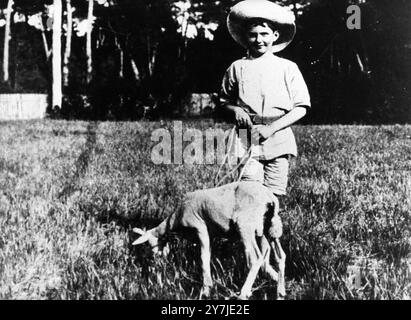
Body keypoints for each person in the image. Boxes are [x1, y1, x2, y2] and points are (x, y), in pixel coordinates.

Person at [220, 0, 311, 203]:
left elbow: (301, 107)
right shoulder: (237, 67)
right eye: (253, 34)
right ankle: (248, 234)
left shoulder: (287, 67)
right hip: (246, 136)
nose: (258, 39)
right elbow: (224, 101)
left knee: (274, 194)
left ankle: (270, 234)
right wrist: (235, 110)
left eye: (264, 34)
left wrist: (272, 128)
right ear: (245, 37)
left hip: (278, 134)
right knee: (248, 192)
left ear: (275, 36)